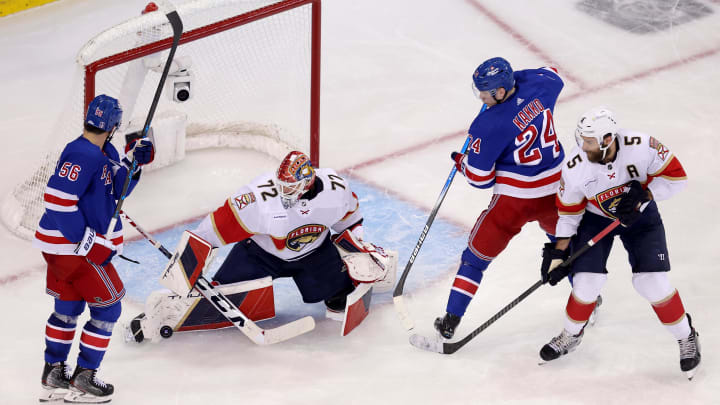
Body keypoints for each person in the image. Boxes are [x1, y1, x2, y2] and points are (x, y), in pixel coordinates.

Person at [128, 150, 394, 341]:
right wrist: (186, 272)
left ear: (307, 183)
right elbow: (210, 231)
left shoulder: (335, 189)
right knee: (226, 300)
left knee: (340, 300)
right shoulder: (257, 200)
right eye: (280, 186)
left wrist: (357, 244)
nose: (282, 193)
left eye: (290, 188)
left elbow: (350, 217)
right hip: (260, 255)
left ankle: (337, 283)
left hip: (315, 254)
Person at [539, 106, 701, 379]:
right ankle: (571, 334)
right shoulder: (575, 167)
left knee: (652, 283)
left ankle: (687, 336)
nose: (582, 145)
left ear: (607, 140)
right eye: (581, 138)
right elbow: (569, 213)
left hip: (640, 216)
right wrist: (558, 251)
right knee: (586, 282)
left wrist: (646, 193)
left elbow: (677, 179)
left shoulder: (642, 145)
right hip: (595, 219)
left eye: (589, 141)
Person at [33, 94, 155, 402]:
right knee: (108, 308)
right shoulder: (81, 154)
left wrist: (133, 161)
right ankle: (84, 378)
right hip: (73, 250)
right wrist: (90, 244)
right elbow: (58, 203)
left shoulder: (103, 150)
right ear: (113, 125)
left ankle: (53, 373)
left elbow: (118, 188)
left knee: (68, 308)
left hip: (64, 250)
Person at [434, 57, 566, 339]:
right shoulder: (542, 85)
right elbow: (553, 74)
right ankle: (587, 300)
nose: (481, 97)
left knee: (475, 259)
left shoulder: (486, 124)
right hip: (556, 192)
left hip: (514, 203)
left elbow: (481, 180)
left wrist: (463, 162)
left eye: (486, 91)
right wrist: (512, 79)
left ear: (502, 90)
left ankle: (451, 319)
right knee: (564, 247)